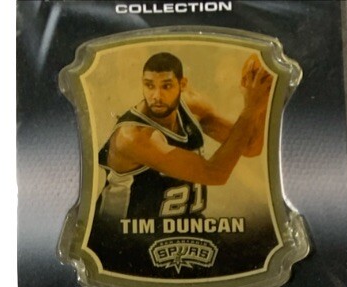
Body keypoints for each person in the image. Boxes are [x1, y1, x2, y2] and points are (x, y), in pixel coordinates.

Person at [96, 50, 273, 225]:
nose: (157, 96)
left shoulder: (192, 107)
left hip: (186, 225)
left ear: (182, 85)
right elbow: (215, 174)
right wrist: (251, 108)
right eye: (149, 86)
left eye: (166, 86)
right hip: (127, 233)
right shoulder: (132, 136)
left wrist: (263, 101)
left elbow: (250, 146)